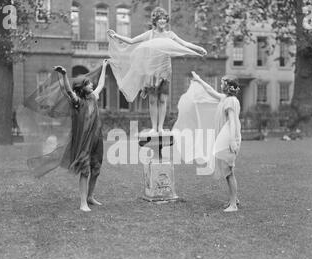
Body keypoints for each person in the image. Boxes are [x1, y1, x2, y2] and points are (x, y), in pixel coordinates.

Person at [107, 6, 207, 134]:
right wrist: (116, 36)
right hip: (151, 72)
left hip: (165, 72)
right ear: (155, 21)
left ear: (166, 21)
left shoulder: (170, 35)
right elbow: (132, 41)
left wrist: (199, 49)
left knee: (163, 99)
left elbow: (185, 44)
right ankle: (154, 127)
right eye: (159, 19)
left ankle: (160, 127)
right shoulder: (150, 34)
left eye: (164, 19)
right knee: (153, 100)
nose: (162, 21)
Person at [50, 60, 109, 212]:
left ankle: (90, 196)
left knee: (96, 168)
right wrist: (63, 75)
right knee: (85, 170)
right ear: (82, 88)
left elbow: (101, 84)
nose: (92, 85)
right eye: (88, 84)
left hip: (96, 139)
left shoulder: (94, 97)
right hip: (84, 141)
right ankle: (83, 202)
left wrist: (104, 67)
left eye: (90, 83)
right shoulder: (78, 102)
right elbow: (69, 91)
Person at [191, 72, 242, 212]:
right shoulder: (224, 98)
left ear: (229, 86)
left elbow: (232, 121)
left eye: (222, 83)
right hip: (225, 138)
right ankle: (234, 199)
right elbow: (210, 91)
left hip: (229, 138)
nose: (220, 85)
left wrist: (232, 140)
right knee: (227, 171)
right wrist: (199, 80)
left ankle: (233, 204)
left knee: (229, 172)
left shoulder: (230, 101)